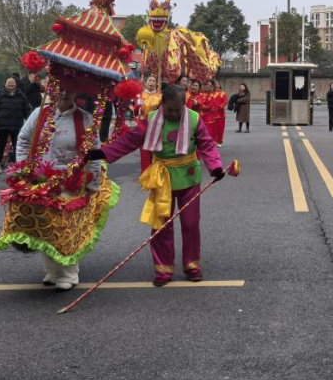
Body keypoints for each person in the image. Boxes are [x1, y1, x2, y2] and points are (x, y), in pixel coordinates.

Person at [93, 84, 223, 286]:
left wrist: (215, 167)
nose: (174, 114)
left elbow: (206, 144)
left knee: (190, 224)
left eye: (178, 110)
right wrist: (104, 152)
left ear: (184, 105)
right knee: (161, 225)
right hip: (162, 179)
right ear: (163, 104)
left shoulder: (194, 119)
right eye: (170, 109)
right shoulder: (151, 119)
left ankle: (192, 265)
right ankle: (163, 268)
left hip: (189, 178)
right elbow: (130, 140)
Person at [12, 90, 104, 290]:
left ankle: (69, 274)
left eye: (69, 89)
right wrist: (23, 168)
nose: (64, 93)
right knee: (46, 225)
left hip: (71, 182)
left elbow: (95, 153)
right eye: (60, 88)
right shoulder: (39, 113)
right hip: (41, 180)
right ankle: (52, 271)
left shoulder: (86, 119)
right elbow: (23, 139)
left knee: (65, 227)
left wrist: (92, 183)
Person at [0, 77, 32, 173]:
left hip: (17, 125)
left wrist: (30, 121)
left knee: (18, 146)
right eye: (9, 83)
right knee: (0, 145)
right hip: (2, 126)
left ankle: (18, 165)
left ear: (15, 84)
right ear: (5, 84)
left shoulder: (21, 96)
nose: (11, 84)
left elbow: (27, 110)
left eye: (12, 83)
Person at [212, 80, 227, 147]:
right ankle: (213, 141)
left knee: (220, 129)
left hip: (220, 115)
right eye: (215, 84)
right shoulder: (210, 94)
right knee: (213, 130)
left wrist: (218, 107)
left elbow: (224, 102)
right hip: (212, 115)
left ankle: (219, 141)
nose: (216, 85)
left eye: (217, 84)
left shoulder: (222, 93)